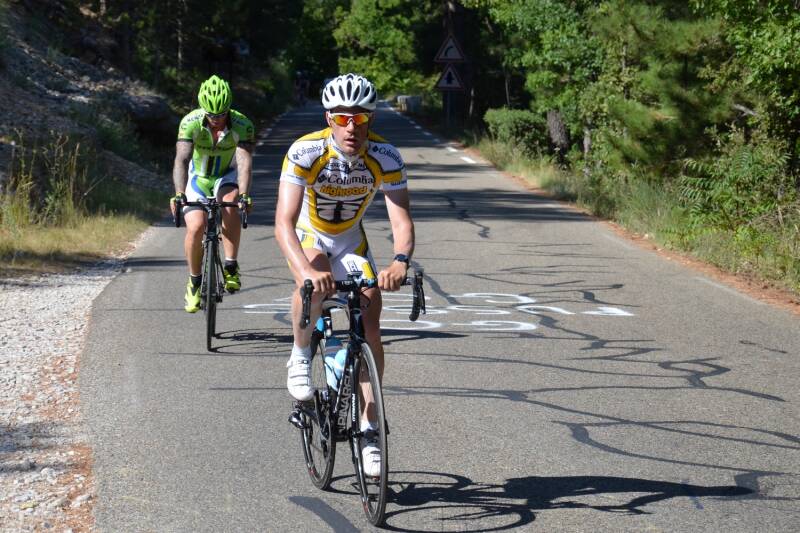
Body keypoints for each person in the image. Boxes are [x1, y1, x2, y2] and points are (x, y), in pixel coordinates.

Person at [275, 73, 414, 477]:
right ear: (329, 118)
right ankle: (300, 355)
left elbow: (401, 219)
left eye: (360, 118)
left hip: (351, 241)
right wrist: (304, 270)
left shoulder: (386, 157)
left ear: (371, 119)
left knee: (371, 316)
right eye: (342, 118)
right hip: (309, 235)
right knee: (313, 277)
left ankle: (370, 429)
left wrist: (400, 261)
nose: (351, 126)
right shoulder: (306, 151)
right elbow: (283, 223)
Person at [170, 74, 255, 313]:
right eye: (211, 114)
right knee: (196, 226)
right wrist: (178, 193)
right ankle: (194, 283)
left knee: (230, 204)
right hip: (199, 178)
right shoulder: (190, 122)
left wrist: (244, 195)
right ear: (202, 109)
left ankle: (230, 266)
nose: (216, 119)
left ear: (229, 108)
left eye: (221, 114)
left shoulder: (242, 124)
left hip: (226, 175)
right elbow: (181, 159)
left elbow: (245, 163)